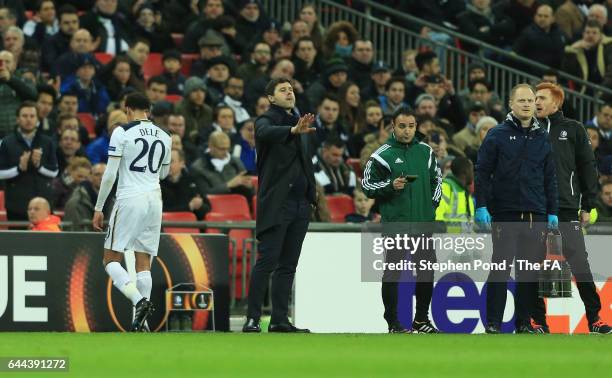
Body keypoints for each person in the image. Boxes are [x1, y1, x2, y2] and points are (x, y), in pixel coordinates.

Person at [474, 84, 558, 334]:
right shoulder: (497, 134)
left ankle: (523, 323)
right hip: (505, 213)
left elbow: (549, 177)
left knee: (528, 272)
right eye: (521, 100)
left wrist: (551, 210)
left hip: (536, 214)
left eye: (530, 100)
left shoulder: (542, 136)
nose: (526, 104)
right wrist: (481, 205)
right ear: (511, 103)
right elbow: (482, 173)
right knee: (500, 269)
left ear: (535, 104)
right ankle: (493, 323)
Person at [533, 82, 611, 334]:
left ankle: (595, 319)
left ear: (556, 102)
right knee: (533, 264)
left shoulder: (574, 129)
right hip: (535, 208)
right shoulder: (528, 129)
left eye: (541, 98)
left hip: (566, 207)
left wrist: (587, 204)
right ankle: (537, 322)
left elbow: (588, 167)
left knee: (580, 264)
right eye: (535, 98)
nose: (536, 102)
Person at [92, 92, 172, 332]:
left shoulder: (122, 132)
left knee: (110, 259)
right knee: (143, 260)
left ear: (127, 109)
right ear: (148, 110)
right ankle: (143, 325)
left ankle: (139, 301)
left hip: (130, 197)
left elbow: (109, 175)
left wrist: (98, 207)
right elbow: (165, 173)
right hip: (155, 200)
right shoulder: (166, 136)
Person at [242, 78, 316, 333]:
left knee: (288, 265)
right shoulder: (266, 120)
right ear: (271, 98)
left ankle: (279, 320)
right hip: (277, 203)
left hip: (300, 204)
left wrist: (311, 195)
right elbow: (263, 132)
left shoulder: (301, 123)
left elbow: (306, 162)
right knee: (268, 261)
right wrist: (293, 131)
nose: (289, 92)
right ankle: (252, 318)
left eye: (291, 89)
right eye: (283, 90)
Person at [362, 107, 443, 333]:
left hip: (423, 223)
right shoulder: (382, 154)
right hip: (396, 224)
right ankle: (393, 322)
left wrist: (430, 208)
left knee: (427, 271)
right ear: (393, 127)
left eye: (411, 126)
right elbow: (366, 185)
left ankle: (421, 320)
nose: (407, 131)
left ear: (416, 126)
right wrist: (390, 186)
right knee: (393, 272)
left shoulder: (426, 152)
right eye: (402, 126)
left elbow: (437, 181)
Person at [0, 101, 58, 221]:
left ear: (37, 120)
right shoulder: (6, 142)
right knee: (18, 240)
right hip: (16, 205)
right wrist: (19, 168)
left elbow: (54, 171)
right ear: (17, 119)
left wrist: (38, 166)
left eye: (32, 116)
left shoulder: (47, 141)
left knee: (45, 239)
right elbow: (1, 173)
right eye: (24, 116)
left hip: (43, 203)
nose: (28, 119)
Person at [64, 163, 110, 231]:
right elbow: (75, 233)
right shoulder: (77, 202)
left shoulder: (116, 199)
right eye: (97, 174)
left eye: (105, 175)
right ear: (90, 177)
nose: (102, 178)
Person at [435, 156, 475, 228]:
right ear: (465, 172)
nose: (473, 174)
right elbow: (437, 215)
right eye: (471, 170)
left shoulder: (465, 192)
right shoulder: (446, 187)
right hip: (448, 237)